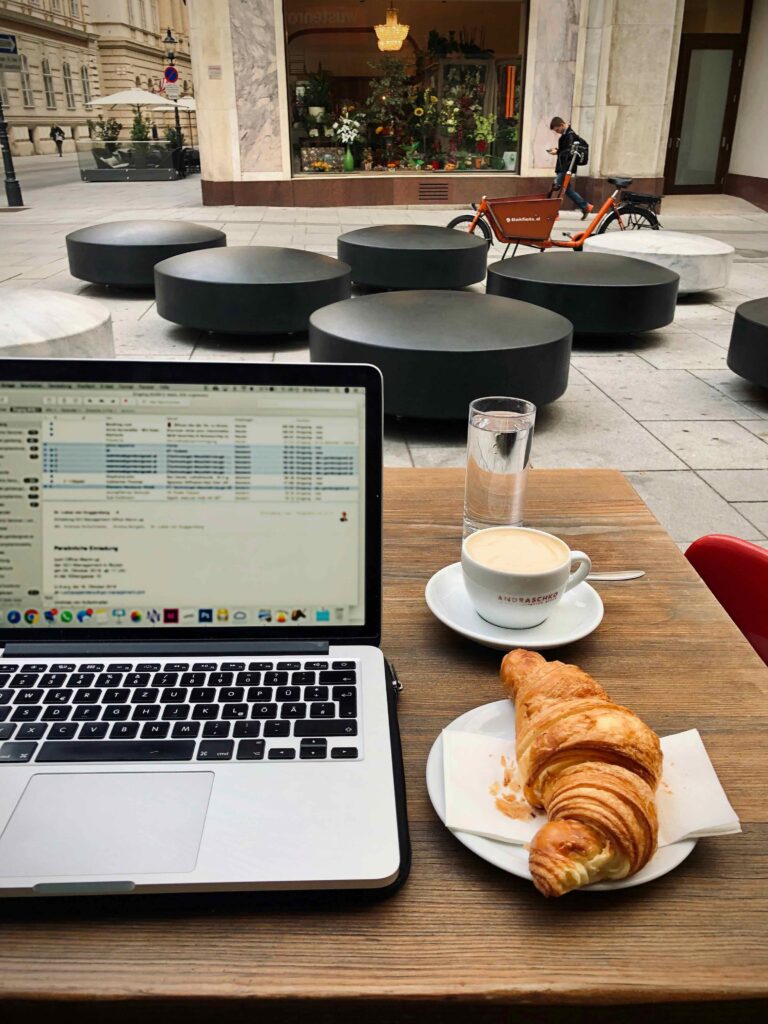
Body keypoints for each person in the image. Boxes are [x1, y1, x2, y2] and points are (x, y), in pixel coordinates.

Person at [547, 116, 593, 220]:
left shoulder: (570, 136)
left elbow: (568, 153)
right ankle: (585, 206)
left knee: (556, 187)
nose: (557, 132)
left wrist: (557, 152)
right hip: (565, 167)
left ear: (562, 125)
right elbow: (567, 150)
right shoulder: (566, 135)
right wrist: (557, 150)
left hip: (565, 168)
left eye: (557, 129)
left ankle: (554, 213)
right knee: (567, 190)